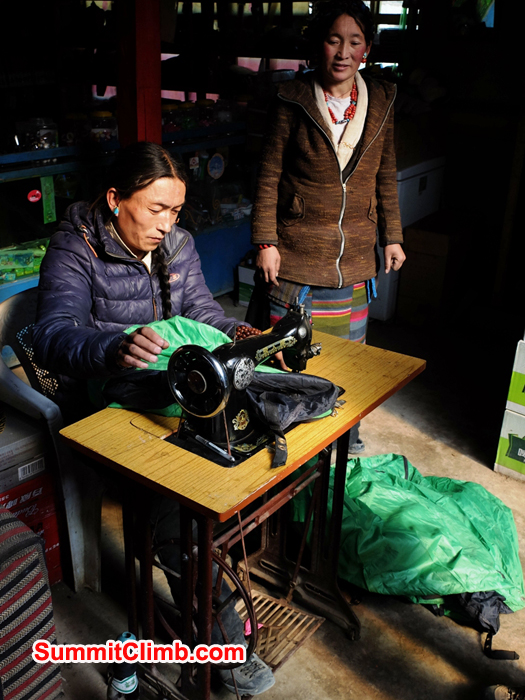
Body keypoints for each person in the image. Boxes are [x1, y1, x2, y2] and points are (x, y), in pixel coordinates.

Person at [32, 141, 275, 696]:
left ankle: (215, 575)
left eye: (176, 211)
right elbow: (51, 334)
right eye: (156, 209)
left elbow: (200, 313)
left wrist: (234, 334)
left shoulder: (177, 245)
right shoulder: (75, 249)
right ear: (116, 199)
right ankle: (223, 644)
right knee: (178, 501)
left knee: (252, 443)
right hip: (111, 401)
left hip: (170, 389)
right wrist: (112, 348)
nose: (168, 224)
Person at [251, 0, 406, 454]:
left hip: (355, 253)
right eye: (333, 39)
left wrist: (393, 235)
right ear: (318, 46)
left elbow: (386, 172)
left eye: (354, 41)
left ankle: (343, 441)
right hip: (296, 250)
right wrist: (266, 240)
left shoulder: (381, 99)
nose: (343, 51)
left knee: (347, 358)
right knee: (290, 355)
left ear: (367, 49)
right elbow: (268, 175)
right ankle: (288, 439)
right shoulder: (292, 99)